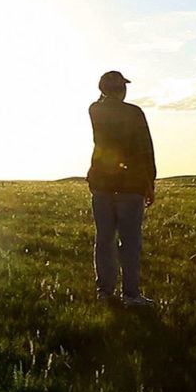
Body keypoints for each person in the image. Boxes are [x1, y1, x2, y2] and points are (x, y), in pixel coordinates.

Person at [86, 70, 157, 307]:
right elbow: (145, 148)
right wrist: (150, 181)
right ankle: (131, 295)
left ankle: (104, 291)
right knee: (130, 241)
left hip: (102, 184)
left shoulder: (95, 110)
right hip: (131, 184)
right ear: (120, 89)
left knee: (104, 238)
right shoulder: (134, 113)